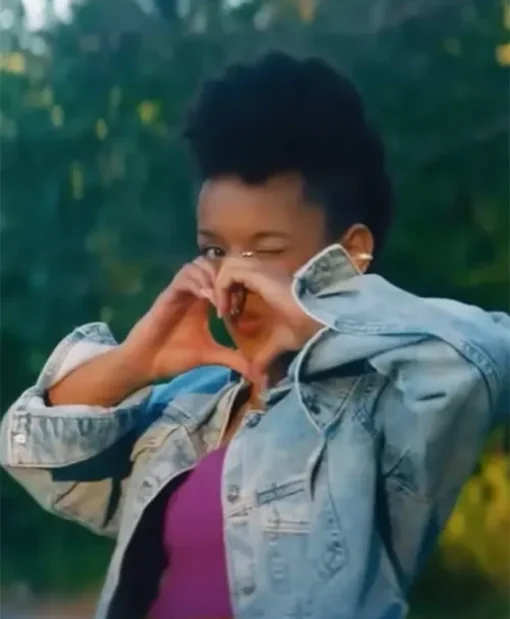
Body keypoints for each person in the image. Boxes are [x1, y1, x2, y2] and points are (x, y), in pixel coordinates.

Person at [1, 52, 508, 619]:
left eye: (264, 252)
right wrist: (135, 362)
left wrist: (317, 313)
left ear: (351, 253)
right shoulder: (192, 405)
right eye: (215, 250)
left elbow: (484, 361)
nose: (233, 281)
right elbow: (32, 454)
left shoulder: (380, 411)